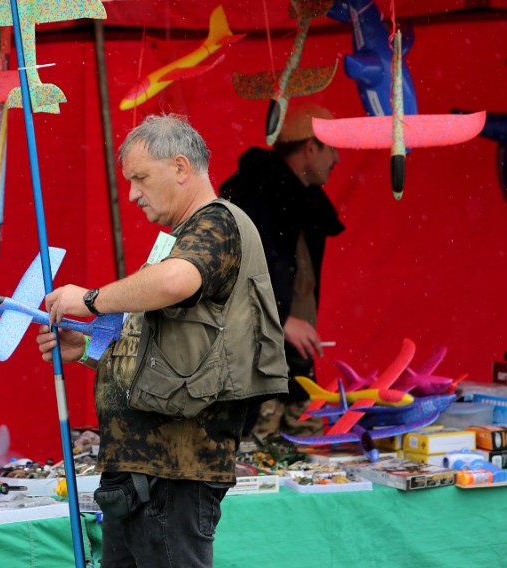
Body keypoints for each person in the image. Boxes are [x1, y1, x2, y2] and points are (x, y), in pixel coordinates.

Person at [35, 114, 288, 567]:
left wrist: (91, 300)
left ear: (179, 167)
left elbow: (175, 283)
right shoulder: (188, 236)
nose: (132, 193)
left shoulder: (218, 225)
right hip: (142, 474)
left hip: (175, 475)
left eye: (140, 178)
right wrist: (94, 349)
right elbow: (174, 347)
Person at [219, 101, 345, 438]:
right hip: (253, 370)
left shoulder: (305, 199)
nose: (337, 159)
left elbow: (294, 278)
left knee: (308, 462)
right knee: (251, 466)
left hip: (292, 365)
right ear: (309, 147)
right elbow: (227, 275)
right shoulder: (255, 195)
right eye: (331, 149)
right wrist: (283, 318)